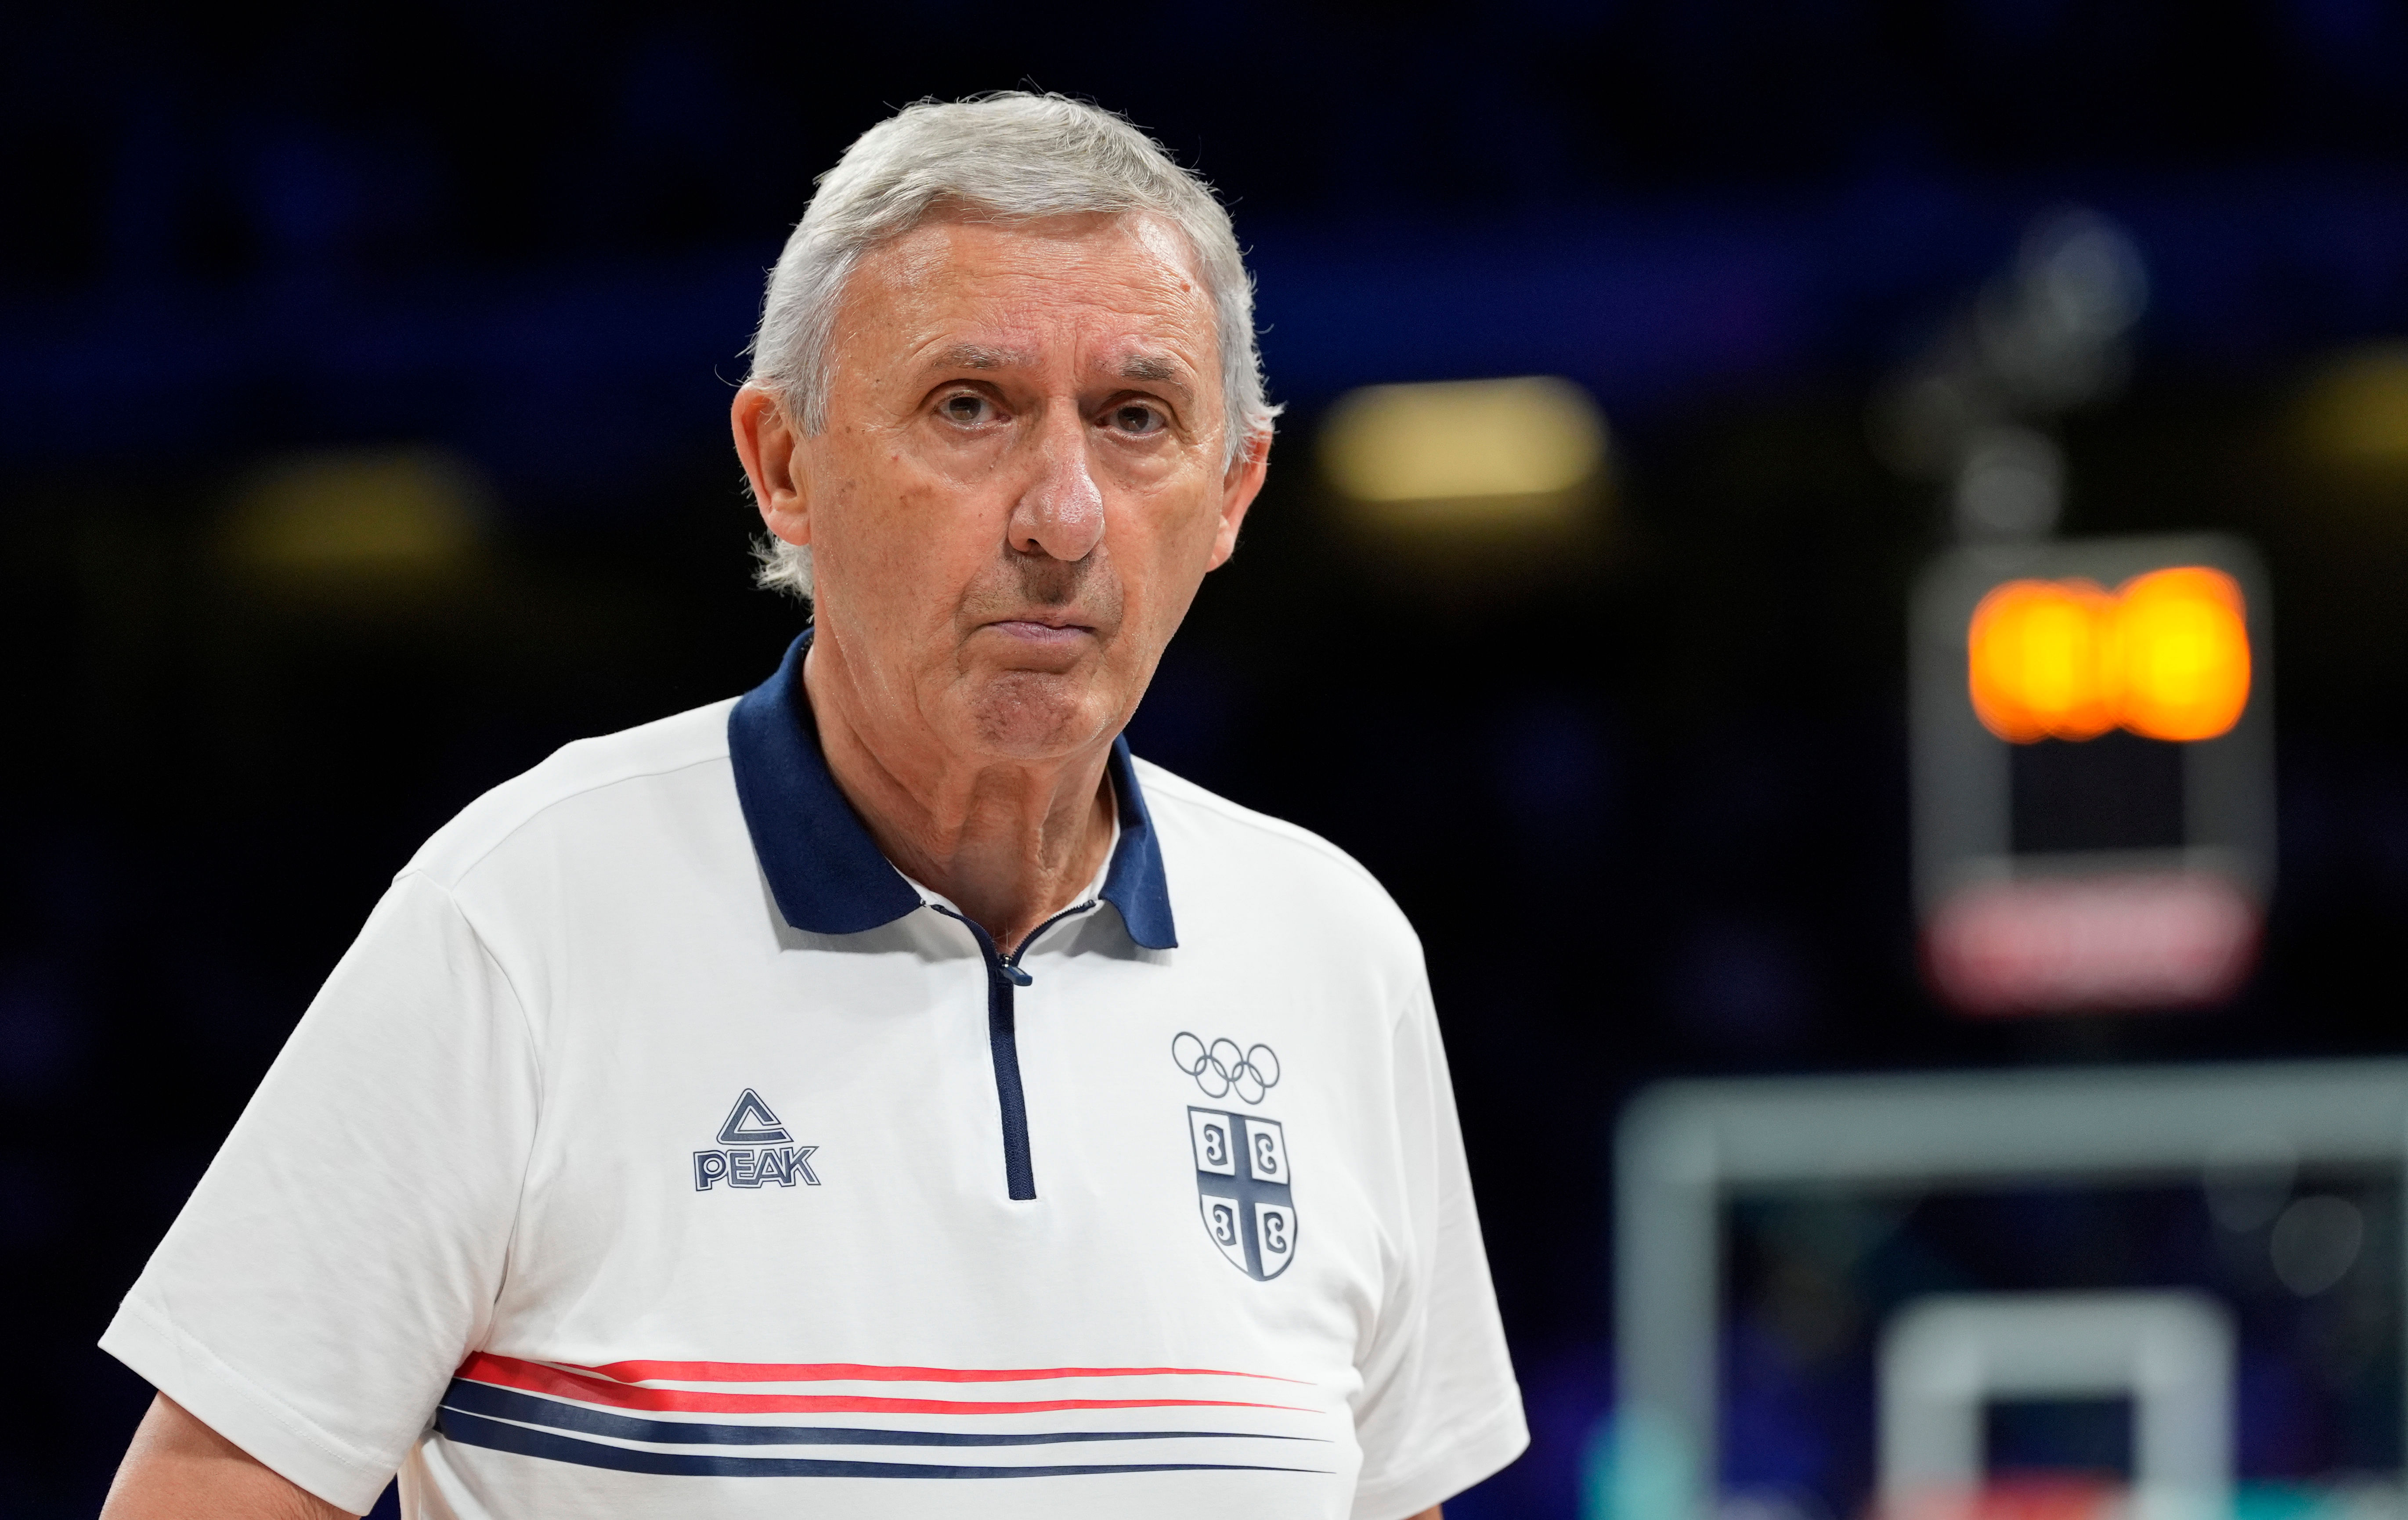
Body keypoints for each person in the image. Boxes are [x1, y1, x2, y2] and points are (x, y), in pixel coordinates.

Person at [97, 93, 1526, 1520]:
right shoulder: (520, 914)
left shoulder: (1334, 948)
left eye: (1136, 419)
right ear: (784, 466)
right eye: (970, 407)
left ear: (1231, 493)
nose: (1062, 516)